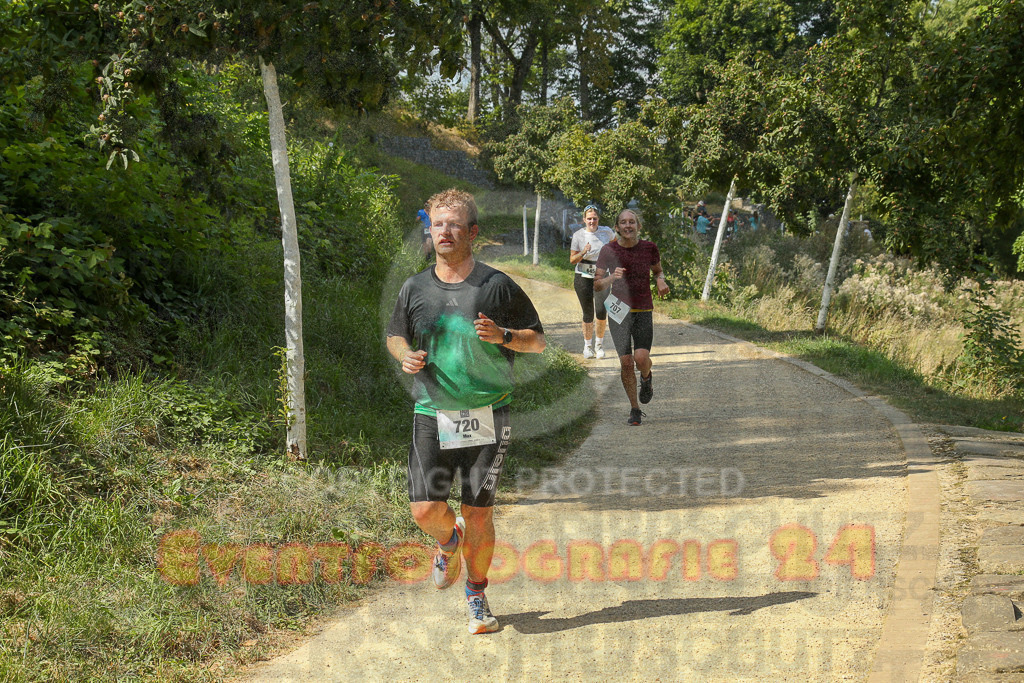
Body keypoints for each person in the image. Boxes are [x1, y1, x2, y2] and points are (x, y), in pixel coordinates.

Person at [386, 189, 546, 635]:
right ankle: (448, 540)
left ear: (472, 232)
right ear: (430, 230)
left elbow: (538, 340)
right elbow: (396, 335)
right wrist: (404, 356)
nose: (445, 232)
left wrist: (505, 337)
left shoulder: (497, 285)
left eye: (455, 224)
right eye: (438, 224)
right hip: (431, 410)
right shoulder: (414, 287)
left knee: (478, 512)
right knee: (423, 510)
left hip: (488, 413)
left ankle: (476, 594)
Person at [594, 208, 670, 426]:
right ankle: (635, 409)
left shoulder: (649, 248)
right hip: (619, 311)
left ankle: (647, 378)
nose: (628, 226)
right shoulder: (608, 251)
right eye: (623, 222)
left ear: (638, 226)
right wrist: (610, 278)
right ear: (617, 227)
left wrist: (660, 280)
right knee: (626, 362)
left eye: (632, 222)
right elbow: (597, 284)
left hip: (643, 309)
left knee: (641, 359)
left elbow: (658, 270)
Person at [569, 204, 616, 359]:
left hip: (602, 273)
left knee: (602, 311)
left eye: (594, 218)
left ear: (598, 219)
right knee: (588, 312)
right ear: (584, 220)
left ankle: (599, 345)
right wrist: (583, 252)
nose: (592, 221)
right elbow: (572, 259)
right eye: (589, 218)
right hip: (583, 274)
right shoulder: (578, 236)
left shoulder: (606, 232)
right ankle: (587, 346)